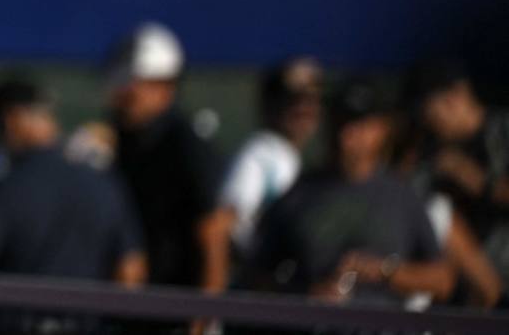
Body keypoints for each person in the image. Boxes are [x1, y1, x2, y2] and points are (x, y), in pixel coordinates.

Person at [248, 78, 453, 305]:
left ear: (382, 129)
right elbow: (257, 276)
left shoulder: (403, 197)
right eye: (339, 122)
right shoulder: (299, 193)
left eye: (359, 124)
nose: (346, 135)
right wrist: (304, 294)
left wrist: (385, 271)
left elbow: (442, 280)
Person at [0, 79, 146, 284]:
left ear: (11, 120)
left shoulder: (7, 188)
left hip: (20, 312)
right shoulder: (105, 183)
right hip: (89, 314)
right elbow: (131, 271)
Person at [108, 23, 231, 292]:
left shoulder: (186, 145)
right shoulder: (125, 141)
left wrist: (205, 317)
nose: (123, 99)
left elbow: (213, 232)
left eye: (132, 90)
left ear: (164, 87)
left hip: (179, 301)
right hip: (142, 300)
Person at [402, 61, 509, 285]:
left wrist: (477, 181)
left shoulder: (502, 130)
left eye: (428, 111)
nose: (426, 122)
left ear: (453, 98)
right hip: (465, 284)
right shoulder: (432, 151)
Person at [217, 57, 323, 257]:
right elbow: (228, 224)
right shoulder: (260, 155)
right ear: (270, 104)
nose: (302, 110)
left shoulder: (287, 156)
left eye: (310, 101)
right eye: (291, 101)